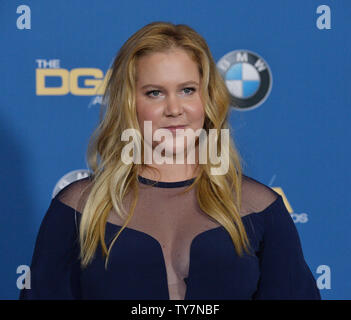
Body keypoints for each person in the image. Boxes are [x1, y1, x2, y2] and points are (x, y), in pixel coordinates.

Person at [19, 21, 321, 300]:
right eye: (155, 93)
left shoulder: (259, 208)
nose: (174, 109)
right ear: (129, 102)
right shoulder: (79, 209)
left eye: (187, 90)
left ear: (207, 97)